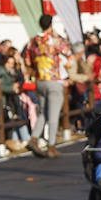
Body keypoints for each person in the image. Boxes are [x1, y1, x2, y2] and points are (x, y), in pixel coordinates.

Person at [23, 13, 72, 158]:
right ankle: (51, 146)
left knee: (44, 112)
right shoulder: (54, 40)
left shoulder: (33, 41)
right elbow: (68, 52)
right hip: (53, 79)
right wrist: (57, 35)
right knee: (54, 115)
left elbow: (27, 62)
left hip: (40, 80)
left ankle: (34, 138)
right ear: (51, 24)